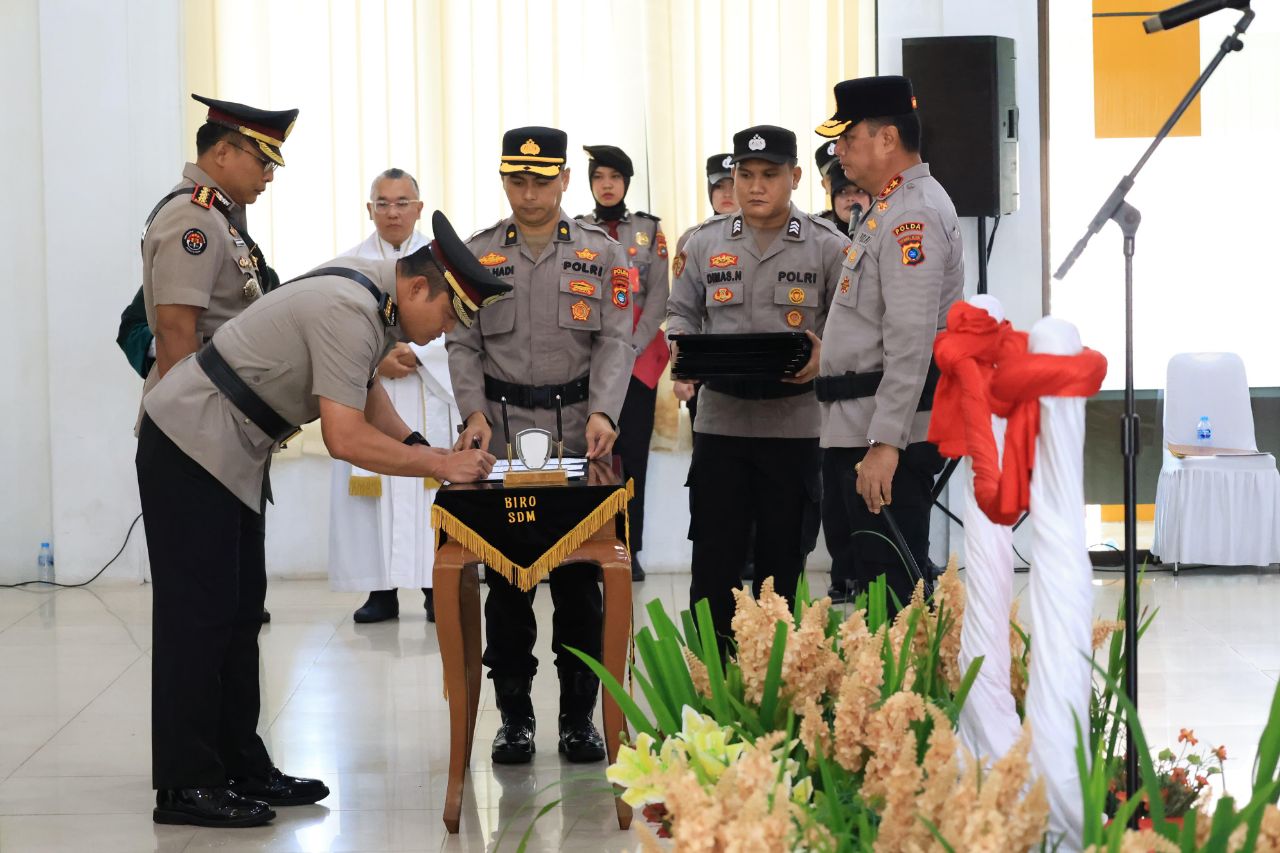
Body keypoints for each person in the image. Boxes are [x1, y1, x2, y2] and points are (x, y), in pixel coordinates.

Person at [137, 210, 506, 828]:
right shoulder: (349, 308)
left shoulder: (371, 292)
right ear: (418, 288)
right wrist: (436, 462)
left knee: (236, 614)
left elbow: (363, 390)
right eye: (446, 316)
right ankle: (186, 784)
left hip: (229, 451)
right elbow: (344, 437)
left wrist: (421, 443)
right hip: (188, 444)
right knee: (198, 620)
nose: (440, 334)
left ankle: (242, 764)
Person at [449, 126, 635, 766]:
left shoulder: (601, 252)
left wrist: (608, 408)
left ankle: (579, 718)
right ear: (504, 181)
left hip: (576, 433)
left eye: (541, 180)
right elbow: (462, 343)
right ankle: (515, 719)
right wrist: (471, 410)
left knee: (581, 582)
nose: (529, 193)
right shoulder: (476, 255)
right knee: (507, 583)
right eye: (516, 180)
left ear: (563, 180)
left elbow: (616, 339)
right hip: (501, 438)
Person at [666, 125, 849, 643]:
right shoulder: (702, 244)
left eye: (769, 175)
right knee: (714, 567)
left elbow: (848, 325)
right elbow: (679, 313)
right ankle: (709, 693)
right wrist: (683, 349)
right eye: (744, 175)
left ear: (794, 177)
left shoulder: (826, 246)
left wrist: (824, 357)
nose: (754, 186)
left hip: (793, 427)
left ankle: (775, 688)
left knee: (781, 570)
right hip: (721, 424)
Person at [138, 95, 298, 623]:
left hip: (228, 437)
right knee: (203, 618)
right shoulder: (196, 219)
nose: (270, 177)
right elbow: (177, 331)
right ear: (224, 152)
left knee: (238, 609)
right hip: (200, 441)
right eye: (264, 161)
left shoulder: (223, 220)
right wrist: (195, 436)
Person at [814, 76, 964, 609]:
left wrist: (885, 445)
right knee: (869, 588)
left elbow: (909, 340)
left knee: (892, 595)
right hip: (857, 425)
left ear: (886, 140)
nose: (838, 152)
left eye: (847, 138)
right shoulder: (888, 206)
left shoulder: (913, 215)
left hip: (881, 436)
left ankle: (904, 695)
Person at [327, 168, 454, 623]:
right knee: (372, 492)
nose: (393, 211)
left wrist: (421, 353)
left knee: (427, 489)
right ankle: (379, 591)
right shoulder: (349, 264)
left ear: (419, 208)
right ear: (370, 210)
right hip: (372, 392)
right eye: (383, 203)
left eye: (403, 202)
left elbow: (460, 323)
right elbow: (337, 326)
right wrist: (376, 359)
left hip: (427, 393)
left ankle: (434, 587)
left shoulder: (441, 263)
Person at [575, 144, 669, 582]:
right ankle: (593, 546)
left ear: (626, 182)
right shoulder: (577, 232)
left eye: (614, 177)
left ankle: (631, 548)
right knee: (593, 459)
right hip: (591, 364)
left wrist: (629, 346)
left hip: (637, 363)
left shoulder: (650, 231)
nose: (606, 185)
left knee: (633, 460)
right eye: (599, 178)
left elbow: (658, 299)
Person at [674, 153, 738, 424]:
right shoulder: (692, 239)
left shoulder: (765, 236)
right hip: (703, 365)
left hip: (750, 364)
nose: (727, 194)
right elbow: (681, 309)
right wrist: (680, 371)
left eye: (732, 185)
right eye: (719, 186)